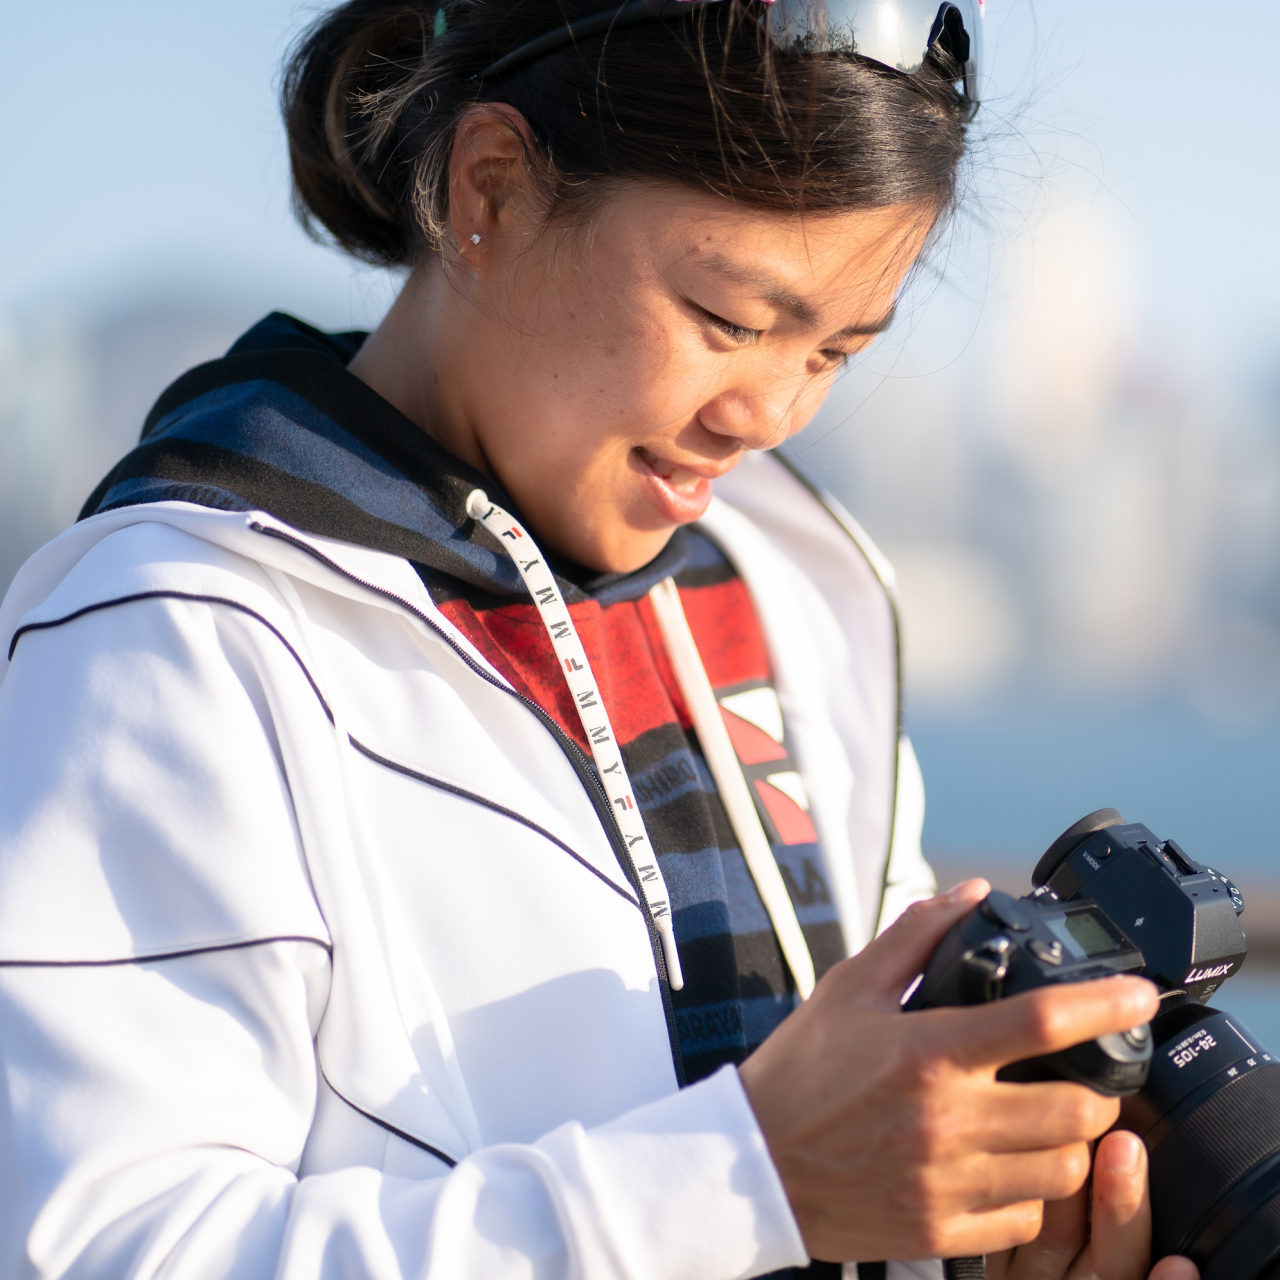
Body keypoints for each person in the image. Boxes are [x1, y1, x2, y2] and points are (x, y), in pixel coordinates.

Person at [0, 1, 1198, 1277]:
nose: (767, 415)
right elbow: (94, 1248)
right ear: (494, 190)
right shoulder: (172, 628)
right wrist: (746, 1182)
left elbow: (846, 1166)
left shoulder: (796, 575)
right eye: (728, 320)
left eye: (837, 348)